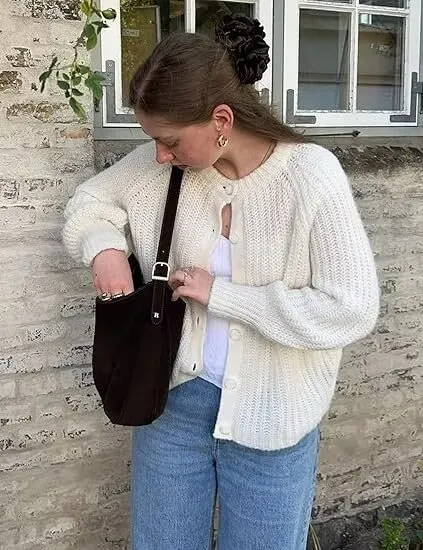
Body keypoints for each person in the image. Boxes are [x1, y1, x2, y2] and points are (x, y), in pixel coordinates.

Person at [63, 14, 379, 550]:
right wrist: (104, 248)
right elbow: (89, 203)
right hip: (173, 408)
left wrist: (225, 296)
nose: (159, 155)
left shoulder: (310, 176)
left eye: (169, 141)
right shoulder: (159, 169)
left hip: (273, 419)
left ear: (221, 120)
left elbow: (352, 307)